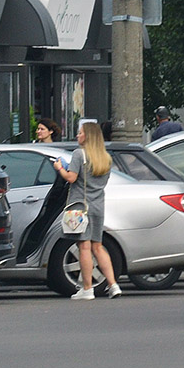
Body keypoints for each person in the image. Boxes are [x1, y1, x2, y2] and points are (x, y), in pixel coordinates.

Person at [53, 122, 122, 300]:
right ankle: (113, 284)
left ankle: (87, 288)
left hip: (80, 207)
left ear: (88, 136)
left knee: (83, 247)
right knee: (98, 247)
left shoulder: (79, 154)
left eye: (80, 133)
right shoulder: (105, 158)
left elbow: (71, 177)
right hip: (98, 205)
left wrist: (60, 168)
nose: (78, 136)